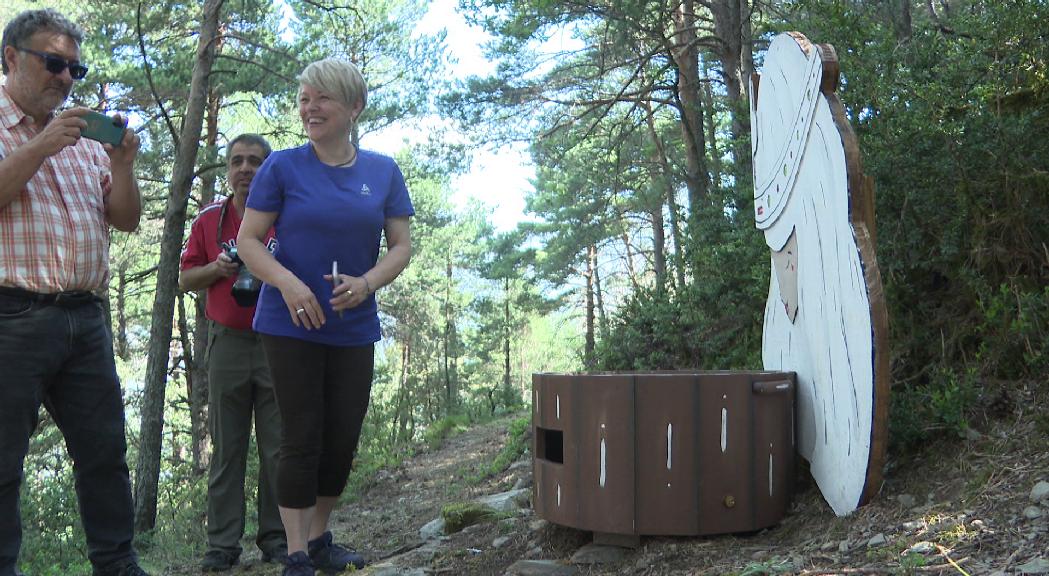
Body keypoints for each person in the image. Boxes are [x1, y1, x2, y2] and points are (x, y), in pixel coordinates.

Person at [236, 57, 413, 576]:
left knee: (341, 436)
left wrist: (367, 284)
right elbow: (249, 240)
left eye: (323, 99)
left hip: (353, 326)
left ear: (353, 107)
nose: (309, 109)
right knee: (301, 434)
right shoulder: (283, 166)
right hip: (289, 322)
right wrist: (289, 284)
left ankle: (318, 540)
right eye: (304, 99)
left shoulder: (382, 171)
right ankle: (293, 553)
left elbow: (400, 246)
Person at [0, 8, 148, 576]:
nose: (64, 78)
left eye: (74, 70)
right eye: (54, 63)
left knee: (105, 454)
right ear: (11, 58)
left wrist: (123, 165)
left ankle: (118, 564)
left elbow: (126, 220)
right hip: (11, 317)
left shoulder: (85, 138)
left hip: (84, 318)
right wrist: (41, 147)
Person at [179, 134, 287, 571]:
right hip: (227, 342)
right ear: (227, 169)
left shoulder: (286, 216)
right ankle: (222, 545)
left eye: (256, 162)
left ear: (268, 169)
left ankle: (277, 538)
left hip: (277, 341)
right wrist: (217, 268)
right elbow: (185, 278)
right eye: (238, 161)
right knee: (227, 448)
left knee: (279, 447)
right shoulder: (209, 221)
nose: (246, 169)